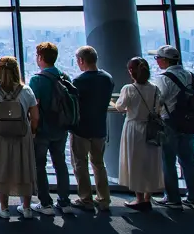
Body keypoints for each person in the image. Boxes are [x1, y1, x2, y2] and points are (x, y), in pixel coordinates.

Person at [0, 56, 39, 219]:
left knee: (1, 166)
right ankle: (27, 208)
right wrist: (32, 131)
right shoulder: (27, 91)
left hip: (0, 134)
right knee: (24, 165)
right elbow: (35, 116)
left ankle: (4, 208)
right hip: (22, 134)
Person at [152, 45, 194, 210]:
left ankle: (173, 198)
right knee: (189, 160)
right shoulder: (192, 76)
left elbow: (158, 101)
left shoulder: (164, 78)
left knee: (168, 160)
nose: (157, 61)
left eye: (158, 58)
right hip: (190, 122)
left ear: (166, 60)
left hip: (170, 123)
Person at [28, 42, 73, 216]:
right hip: (61, 127)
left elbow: (33, 106)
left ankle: (45, 203)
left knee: (40, 165)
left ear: (40, 57)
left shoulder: (37, 80)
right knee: (60, 163)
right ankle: (64, 201)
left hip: (42, 128)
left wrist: (33, 127)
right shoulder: (64, 77)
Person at [114, 57, 164, 210]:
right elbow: (159, 108)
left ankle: (139, 198)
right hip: (151, 129)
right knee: (150, 162)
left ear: (131, 71)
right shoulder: (155, 89)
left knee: (135, 163)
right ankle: (148, 198)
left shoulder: (129, 89)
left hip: (134, 128)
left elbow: (120, 107)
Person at [70, 46, 114, 211]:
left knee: (80, 164)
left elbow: (73, 104)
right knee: (98, 164)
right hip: (100, 128)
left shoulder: (79, 81)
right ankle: (104, 199)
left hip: (81, 129)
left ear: (81, 60)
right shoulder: (107, 79)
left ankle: (85, 198)